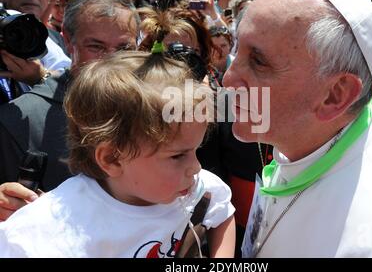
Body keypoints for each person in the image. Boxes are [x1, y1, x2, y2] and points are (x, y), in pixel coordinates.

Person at [223, 0, 372, 257]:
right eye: (238, 48)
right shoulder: (307, 136)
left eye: (258, 61)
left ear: (335, 95)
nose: (228, 79)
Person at [0, 50, 235, 257]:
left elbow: (222, 212)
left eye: (196, 150)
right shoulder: (47, 233)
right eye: (178, 155)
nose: (195, 167)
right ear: (112, 159)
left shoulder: (195, 189)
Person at [0, 0, 139, 221]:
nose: (112, 60)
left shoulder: (157, 112)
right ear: (67, 41)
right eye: (96, 47)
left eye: (124, 48)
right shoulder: (17, 123)